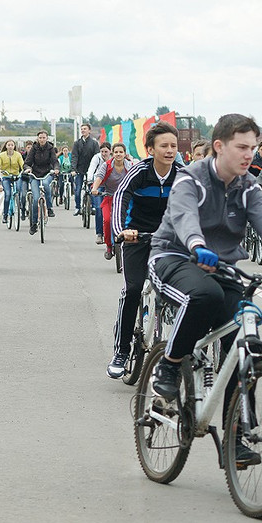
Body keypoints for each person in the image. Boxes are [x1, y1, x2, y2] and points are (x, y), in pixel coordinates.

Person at [147, 113, 262, 467]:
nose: (249, 154)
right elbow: (184, 218)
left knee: (245, 330)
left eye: (253, 147)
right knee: (206, 296)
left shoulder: (249, 187)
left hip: (222, 265)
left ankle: (238, 436)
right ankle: (168, 365)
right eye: (242, 147)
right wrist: (197, 245)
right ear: (219, 146)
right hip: (175, 256)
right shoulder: (190, 179)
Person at [104, 122, 179, 378]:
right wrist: (121, 232)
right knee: (133, 289)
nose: (170, 150)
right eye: (164, 146)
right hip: (138, 237)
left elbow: (196, 207)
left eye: (173, 146)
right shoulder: (139, 173)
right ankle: (122, 351)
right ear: (150, 149)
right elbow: (120, 199)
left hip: (168, 242)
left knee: (181, 293)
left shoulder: (182, 175)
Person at [91, 142, 134, 258]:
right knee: (107, 220)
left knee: (128, 220)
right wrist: (95, 188)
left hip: (125, 199)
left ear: (125, 154)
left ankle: (130, 244)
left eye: (121, 152)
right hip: (109, 196)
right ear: (112, 153)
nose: (118, 154)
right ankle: (109, 246)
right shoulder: (106, 165)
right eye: (116, 152)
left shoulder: (129, 165)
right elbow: (99, 177)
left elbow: (134, 180)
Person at [23, 130, 58, 235]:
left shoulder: (50, 149)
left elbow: (55, 161)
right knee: (36, 199)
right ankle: (34, 224)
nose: (42, 139)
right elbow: (27, 163)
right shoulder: (34, 148)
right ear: (37, 139)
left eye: (44, 137)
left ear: (47, 138)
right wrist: (28, 168)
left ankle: (50, 208)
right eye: (40, 138)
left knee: (47, 185)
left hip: (47, 173)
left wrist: (56, 169)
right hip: (35, 175)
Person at [71, 123, 100, 215]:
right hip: (79, 169)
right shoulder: (77, 143)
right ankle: (77, 207)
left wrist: (96, 169)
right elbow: (74, 156)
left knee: (92, 188)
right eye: (82, 129)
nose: (83, 130)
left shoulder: (94, 143)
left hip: (91, 170)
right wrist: (73, 169)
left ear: (89, 131)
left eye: (85, 129)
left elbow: (97, 157)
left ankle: (93, 206)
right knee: (78, 189)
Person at [87, 143, 111, 245]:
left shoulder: (115, 159)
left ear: (110, 151)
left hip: (111, 185)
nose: (104, 154)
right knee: (98, 208)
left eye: (106, 151)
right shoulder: (96, 158)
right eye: (102, 152)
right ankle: (100, 234)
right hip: (98, 184)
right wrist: (89, 180)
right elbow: (91, 169)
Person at [0, 140, 24, 222]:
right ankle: (5, 215)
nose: (10, 146)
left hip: (16, 176)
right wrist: (0, 171)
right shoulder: (1, 155)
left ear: (14, 146)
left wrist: (24, 170)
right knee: (7, 194)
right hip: (6, 177)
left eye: (12, 145)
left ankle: (19, 206)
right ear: (6, 146)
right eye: (9, 145)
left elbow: (22, 165)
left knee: (19, 191)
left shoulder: (18, 155)